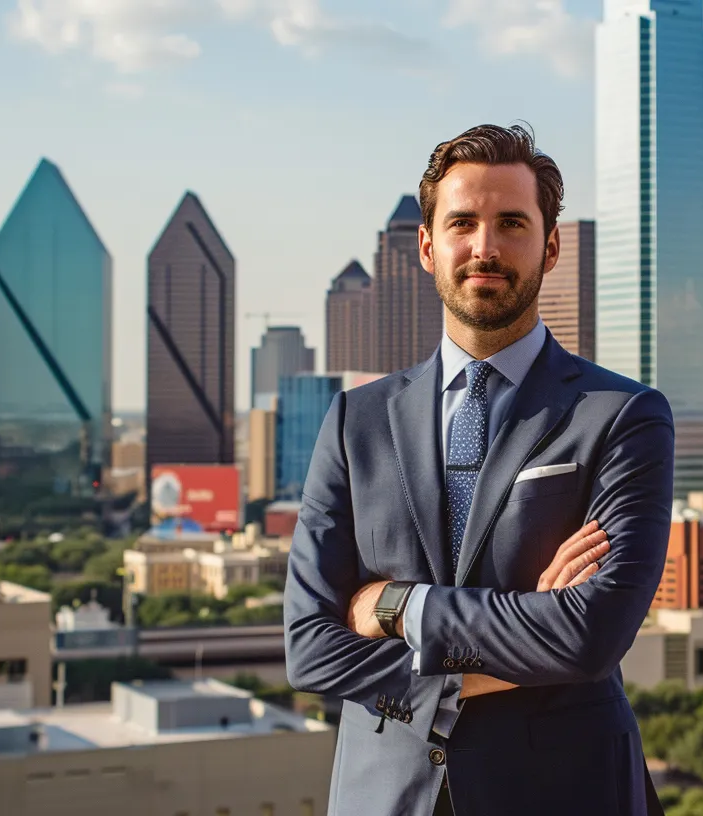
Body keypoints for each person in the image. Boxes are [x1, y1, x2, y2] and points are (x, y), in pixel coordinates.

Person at [284, 123, 674, 816]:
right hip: (385, 796)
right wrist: (529, 633)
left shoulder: (624, 416)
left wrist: (398, 605)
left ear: (550, 246)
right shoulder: (354, 422)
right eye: (462, 222)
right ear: (428, 246)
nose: (485, 248)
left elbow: (590, 637)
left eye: (512, 224)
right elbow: (310, 650)